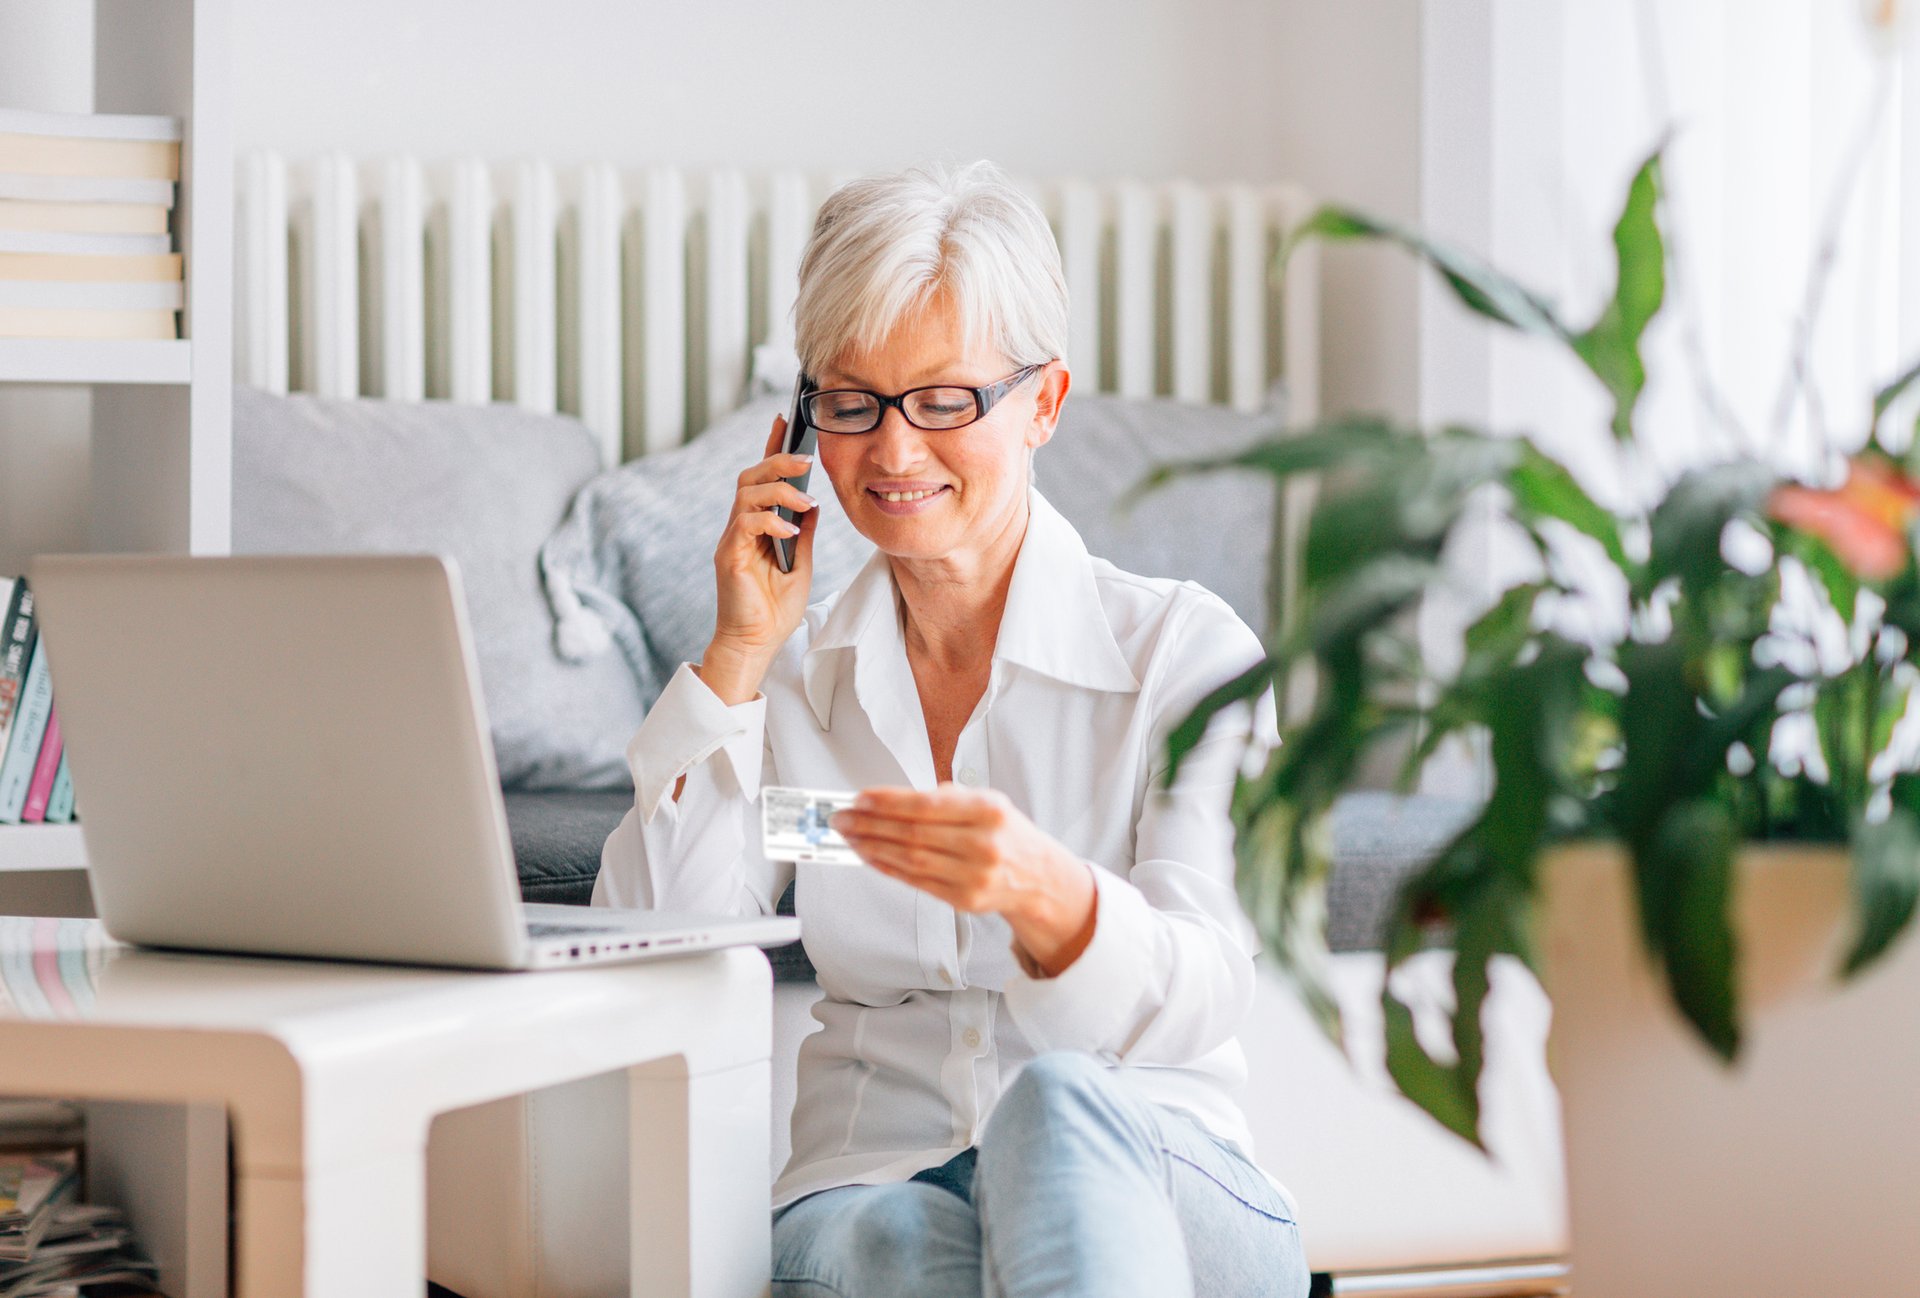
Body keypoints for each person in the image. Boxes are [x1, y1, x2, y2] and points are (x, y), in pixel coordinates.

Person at [594, 160, 1308, 1298]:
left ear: (1044, 404)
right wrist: (735, 657)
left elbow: (1211, 978)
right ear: (803, 416)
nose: (891, 452)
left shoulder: (1182, 656)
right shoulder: (796, 680)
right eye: (852, 401)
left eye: (943, 400)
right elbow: (651, 948)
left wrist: (1053, 900)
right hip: (875, 1185)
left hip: (1153, 1161)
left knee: (1060, 1107)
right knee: (901, 1245)